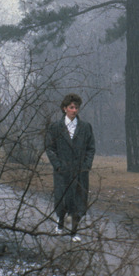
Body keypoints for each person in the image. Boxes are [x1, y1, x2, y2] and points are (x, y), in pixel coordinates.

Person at [44, 93, 96, 242]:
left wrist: (86, 165)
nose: (74, 110)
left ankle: (74, 231)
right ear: (64, 108)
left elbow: (91, 148)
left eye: (77, 107)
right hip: (62, 172)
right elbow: (50, 148)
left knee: (79, 201)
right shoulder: (55, 127)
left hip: (80, 172)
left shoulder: (85, 127)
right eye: (71, 107)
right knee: (61, 201)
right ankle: (61, 223)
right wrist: (58, 166)